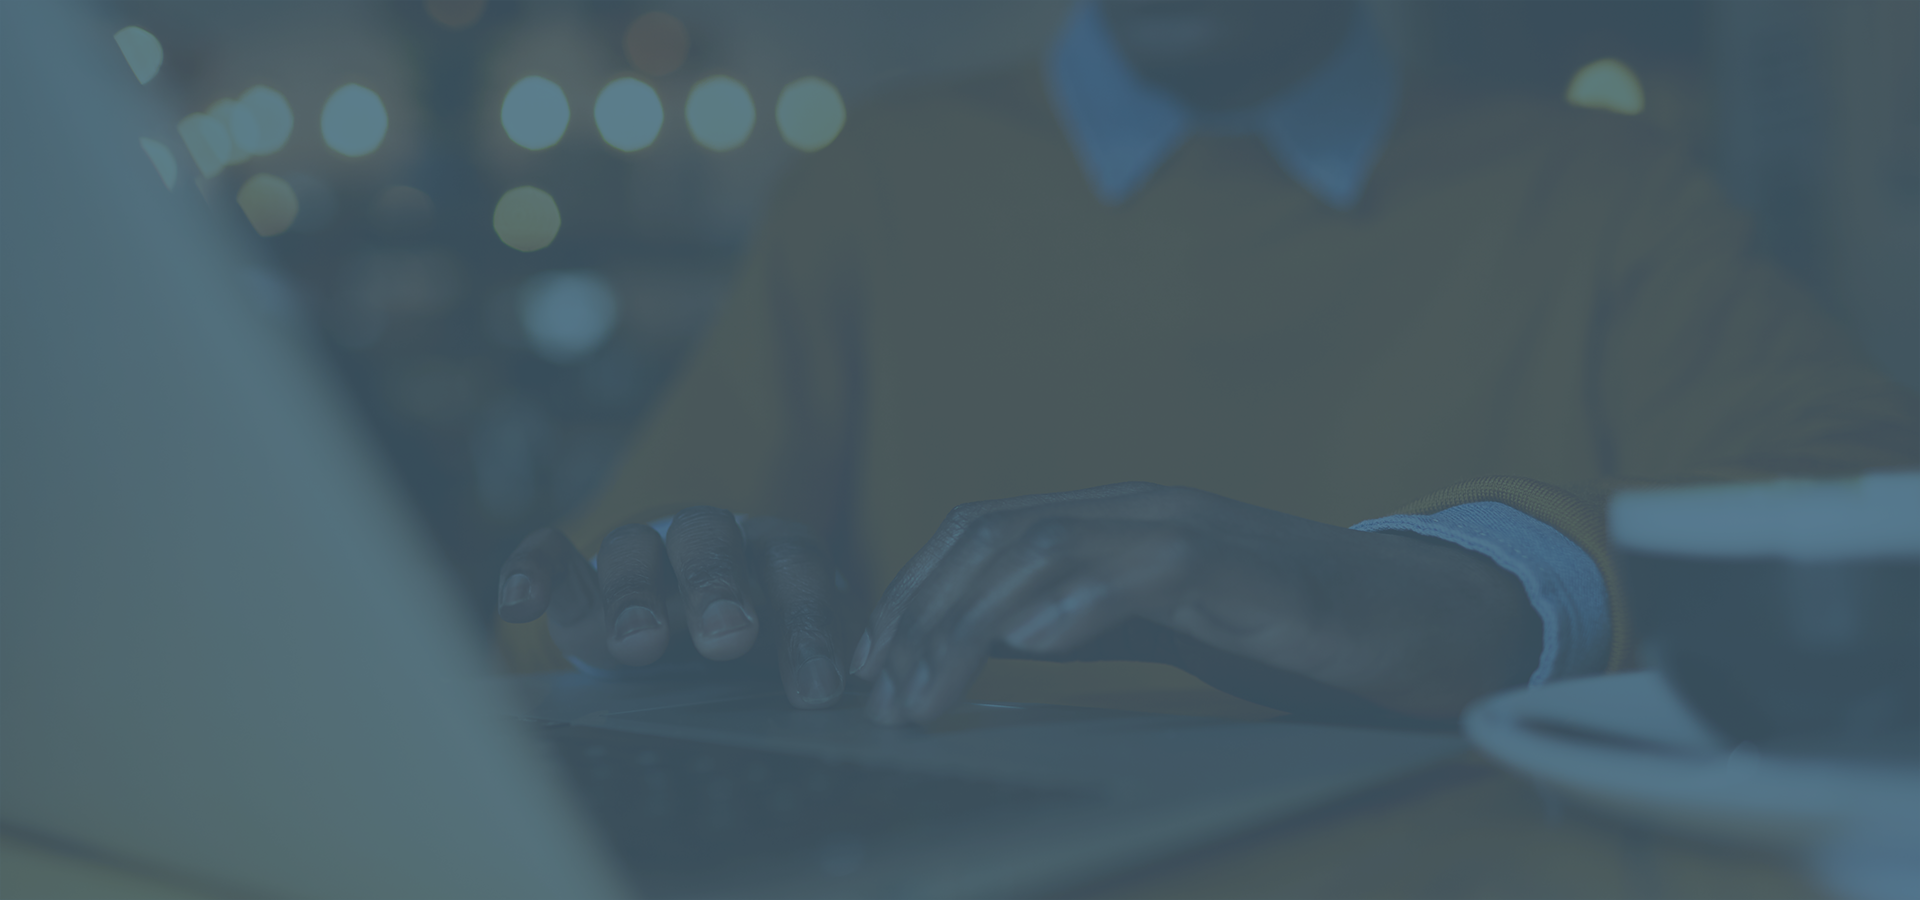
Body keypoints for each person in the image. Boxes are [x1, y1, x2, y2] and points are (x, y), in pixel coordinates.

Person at [496, 1, 1919, 725]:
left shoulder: (1606, 193)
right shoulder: (877, 185)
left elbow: (1876, 514)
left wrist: (1469, 585)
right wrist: (653, 631)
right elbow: (605, 611)